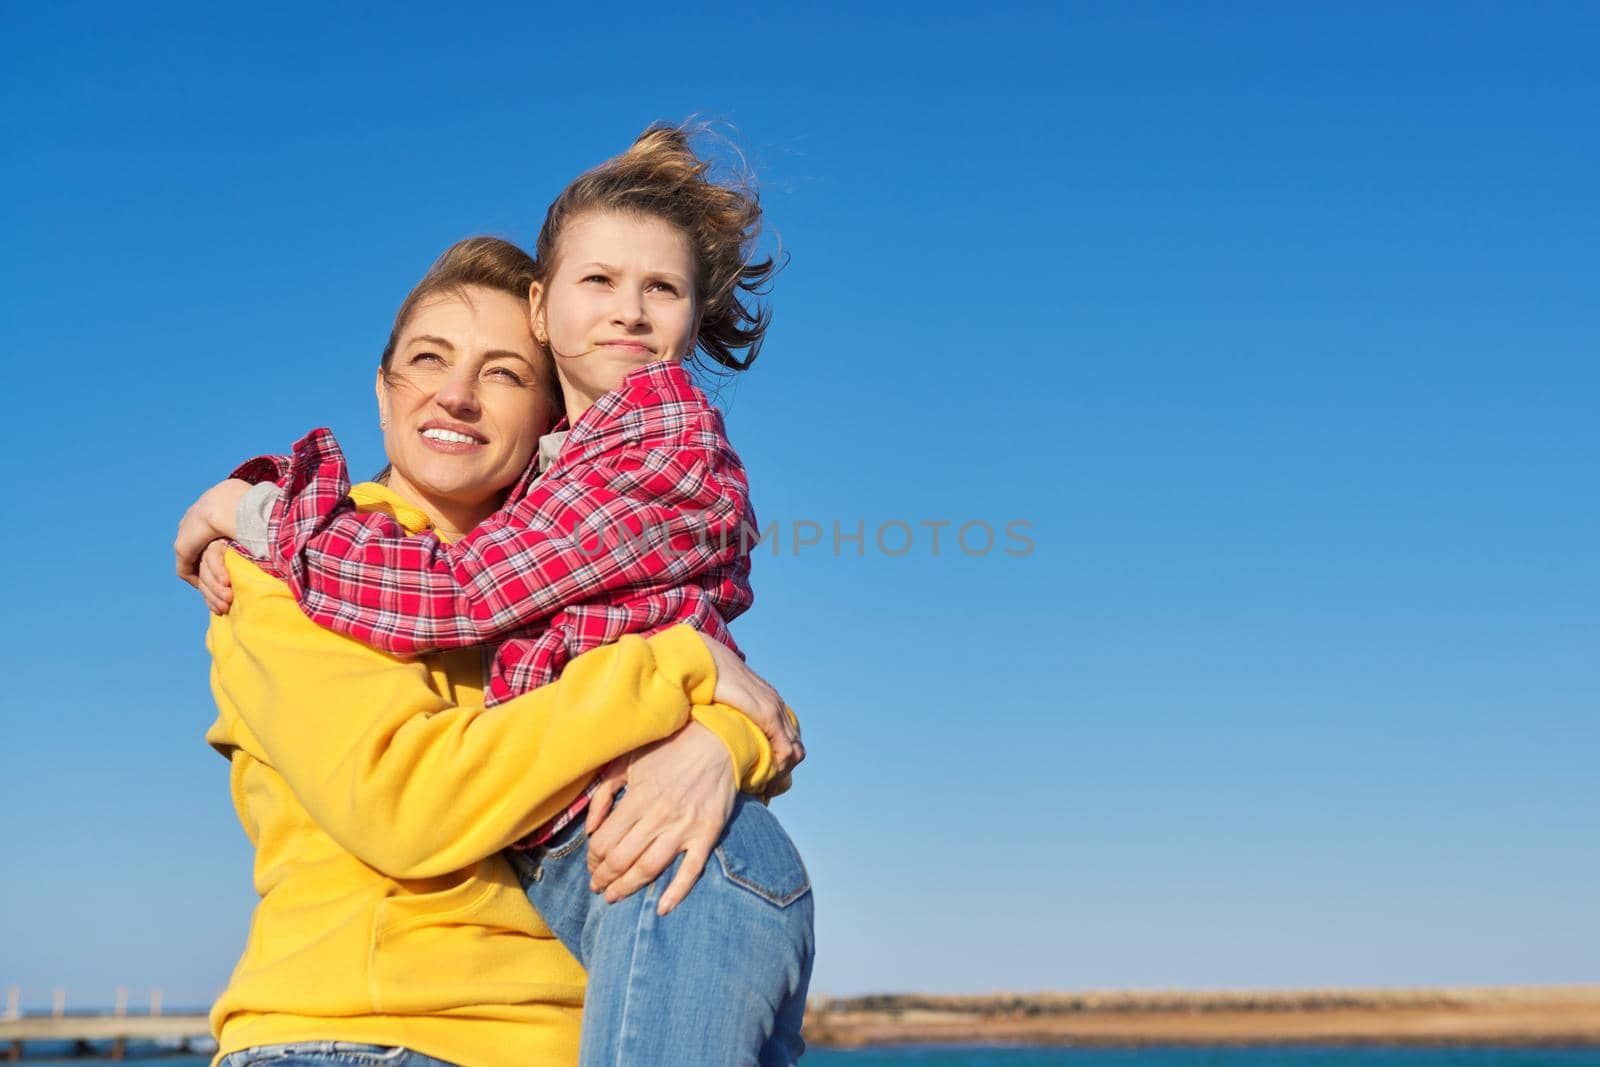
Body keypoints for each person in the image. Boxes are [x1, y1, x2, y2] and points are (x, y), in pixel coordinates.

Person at [184, 130, 813, 1067]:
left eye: (505, 372)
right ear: (383, 385)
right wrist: (688, 676)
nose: (460, 396)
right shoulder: (291, 568)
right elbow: (410, 802)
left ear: (549, 405)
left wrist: (718, 736)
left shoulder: (562, 561)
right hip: (370, 1041)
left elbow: (753, 709)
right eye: (430, 359)